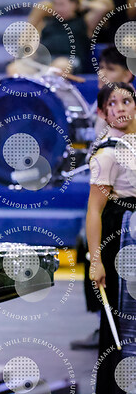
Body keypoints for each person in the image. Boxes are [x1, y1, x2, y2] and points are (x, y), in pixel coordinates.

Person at [87, 82, 136, 393]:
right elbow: (94, 211)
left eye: (126, 101)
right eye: (113, 104)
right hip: (122, 237)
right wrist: (96, 261)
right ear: (103, 113)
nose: (120, 108)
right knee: (123, 321)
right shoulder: (107, 153)